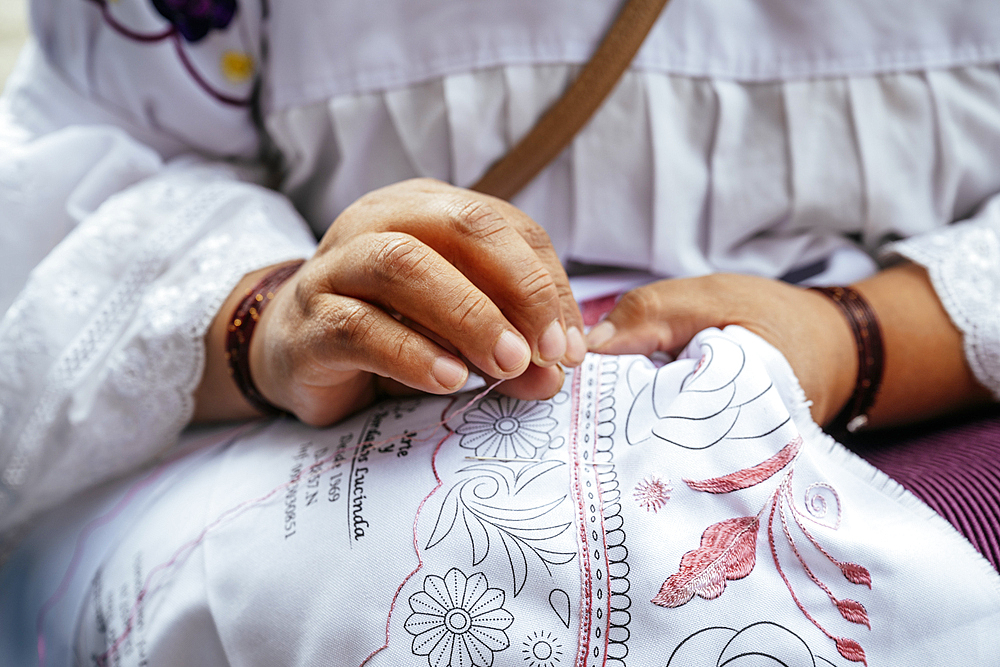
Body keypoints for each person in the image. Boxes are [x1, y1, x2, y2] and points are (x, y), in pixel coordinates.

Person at [1, 0, 999, 560]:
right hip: (318, 454)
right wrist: (266, 319)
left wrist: (861, 337)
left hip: (923, 422)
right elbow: (85, 163)